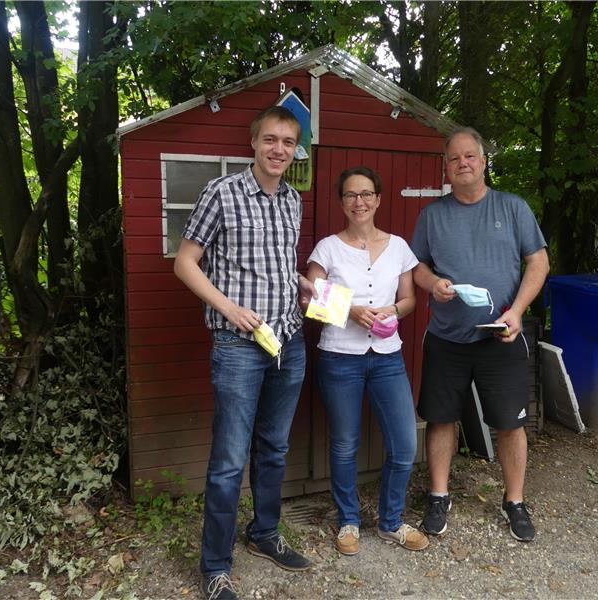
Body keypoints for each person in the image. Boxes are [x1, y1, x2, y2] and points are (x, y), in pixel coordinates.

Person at [174, 105, 317, 600]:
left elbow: (275, 264)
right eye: (270, 140)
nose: (279, 149)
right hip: (238, 345)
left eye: (288, 142)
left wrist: (301, 284)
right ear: (254, 143)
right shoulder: (222, 193)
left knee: (274, 447)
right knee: (230, 459)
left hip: (288, 341)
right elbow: (185, 262)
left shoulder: (292, 201)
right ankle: (215, 566)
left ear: (296, 151)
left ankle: (264, 533)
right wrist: (229, 308)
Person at [410, 127, 550, 542]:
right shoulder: (432, 215)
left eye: (470, 156)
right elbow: (416, 266)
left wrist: (516, 311)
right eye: (454, 158)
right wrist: (432, 283)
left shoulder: (512, 207)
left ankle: (515, 501)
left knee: (510, 423)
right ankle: (439, 495)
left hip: (500, 336)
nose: (463, 164)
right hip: (446, 336)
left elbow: (539, 262)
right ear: (446, 167)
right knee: (440, 419)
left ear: (484, 161)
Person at [306, 166, 429, 555]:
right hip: (339, 357)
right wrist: (351, 310)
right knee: (345, 444)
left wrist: (392, 310)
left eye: (365, 194)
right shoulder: (328, 248)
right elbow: (309, 299)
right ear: (341, 202)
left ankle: (391, 521)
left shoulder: (398, 247)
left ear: (378, 199)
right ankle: (349, 521)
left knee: (405, 444)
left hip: (387, 357)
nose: (358, 201)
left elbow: (409, 299)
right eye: (350, 195)